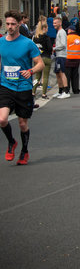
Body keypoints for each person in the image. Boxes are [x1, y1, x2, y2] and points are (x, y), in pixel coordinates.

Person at [1, 10, 44, 165]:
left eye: (13, 24)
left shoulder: (27, 43)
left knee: (22, 123)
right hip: (5, 86)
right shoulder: (1, 42)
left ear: (19, 24)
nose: (10, 27)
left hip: (23, 87)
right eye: (8, 24)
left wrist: (30, 71)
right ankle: (12, 142)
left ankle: (24, 150)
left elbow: (41, 64)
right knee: (2, 119)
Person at [32, 22, 53, 99]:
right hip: (46, 57)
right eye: (47, 28)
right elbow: (50, 48)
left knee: (37, 76)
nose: (47, 29)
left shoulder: (35, 38)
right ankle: (44, 93)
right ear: (44, 28)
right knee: (45, 77)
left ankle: (33, 91)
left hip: (37, 58)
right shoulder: (46, 37)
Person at [63, 25, 80, 96]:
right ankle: (76, 89)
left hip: (68, 58)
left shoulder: (66, 38)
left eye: (68, 30)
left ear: (71, 30)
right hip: (77, 58)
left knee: (67, 75)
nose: (67, 31)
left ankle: (67, 89)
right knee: (75, 75)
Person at [52, 17, 69, 99]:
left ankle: (66, 91)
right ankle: (60, 90)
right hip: (58, 55)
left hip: (62, 55)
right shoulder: (58, 32)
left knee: (62, 72)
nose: (54, 24)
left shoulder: (62, 32)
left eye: (55, 23)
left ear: (60, 23)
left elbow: (63, 44)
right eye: (53, 23)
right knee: (58, 73)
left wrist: (54, 48)